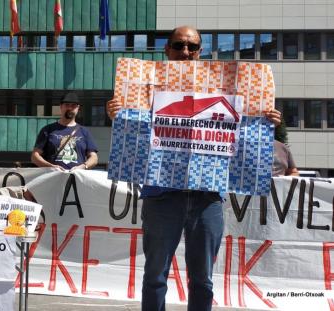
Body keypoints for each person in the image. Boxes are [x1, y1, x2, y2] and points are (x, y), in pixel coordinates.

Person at [106, 26, 282, 311]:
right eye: (178, 45)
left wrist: (264, 119)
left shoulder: (226, 88)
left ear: (200, 52)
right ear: (167, 49)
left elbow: (242, 137)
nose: (185, 52)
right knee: (155, 276)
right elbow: (133, 135)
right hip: (162, 196)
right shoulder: (145, 86)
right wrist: (120, 113)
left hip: (207, 198)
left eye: (192, 47)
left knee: (203, 280)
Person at [31, 92, 98, 171]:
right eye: (67, 105)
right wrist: (51, 166)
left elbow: (94, 157)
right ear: (61, 107)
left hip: (76, 179)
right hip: (53, 179)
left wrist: (83, 166)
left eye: (73, 105)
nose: (70, 108)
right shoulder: (48, 129)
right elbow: (35, 156)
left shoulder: (84, 132)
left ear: (78, 108)